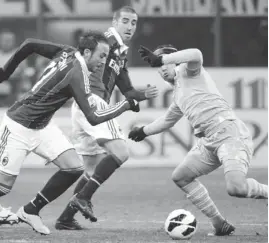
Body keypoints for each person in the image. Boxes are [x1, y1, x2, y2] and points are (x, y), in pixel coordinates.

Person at [0, 31, 140, 235]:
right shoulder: (78, 74)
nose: (103, 61)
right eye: (101, 56)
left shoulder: (67, 51)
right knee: (4, 187)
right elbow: (93, 117)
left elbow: (29, 43)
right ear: (87, 51)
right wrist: (126, 105)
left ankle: (30, 211)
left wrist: (5, 72)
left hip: (43, 126)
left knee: (74, 167)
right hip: (18, 126)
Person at [128, 44, 268, 236]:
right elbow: (166, 121)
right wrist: (144, 130)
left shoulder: (189, 71)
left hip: (229, 134)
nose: (161, 69)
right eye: (157, 66)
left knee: (237, 188)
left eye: (164, 63)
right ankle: (219, 223)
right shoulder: (178, 94)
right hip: (209, 142)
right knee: (181, 177)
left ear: (175, 61)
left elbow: (196, 53)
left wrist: (162, 58)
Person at [54, 5, 158, 230]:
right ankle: (82, 198)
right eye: (126, 21)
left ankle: (65, 219)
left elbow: (127, 89)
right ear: (114, 22)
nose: (130, 26)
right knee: (121, 153)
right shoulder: (106, 41)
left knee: (91, 169)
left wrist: (141, 96)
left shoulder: (120, 50)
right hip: (92, 101)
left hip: (85, 106)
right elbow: (81, 58)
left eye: (134, 22)